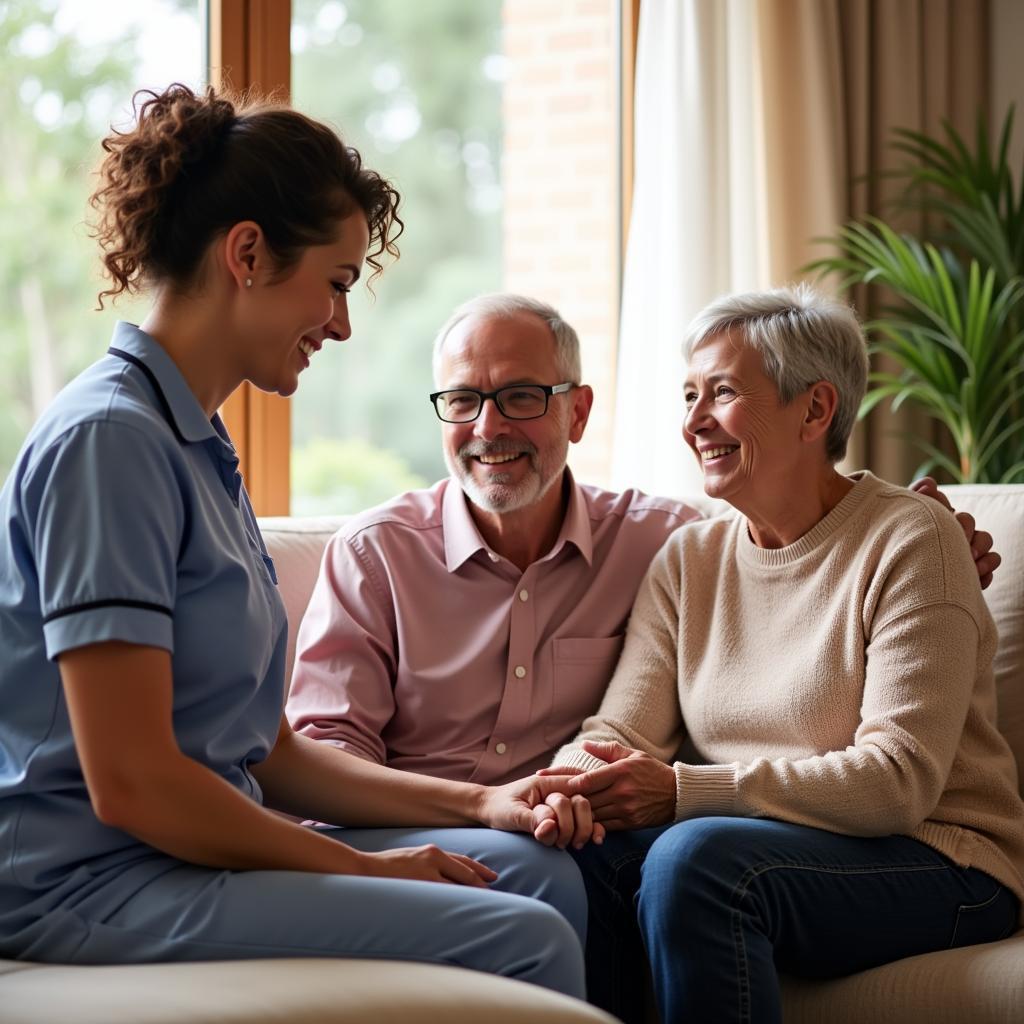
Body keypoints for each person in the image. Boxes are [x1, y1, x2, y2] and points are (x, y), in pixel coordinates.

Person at [0, 83, 590, 997]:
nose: (343, 324)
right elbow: (133, 784)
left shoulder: (192, 439)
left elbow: (265, 753)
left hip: (178, 849)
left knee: (540, 871)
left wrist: (482, 804)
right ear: (247, 254)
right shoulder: (111, 443)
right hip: (85, 878)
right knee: (527, 940)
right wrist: (365, 872)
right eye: (337, 282)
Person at [540, 284, 1024, 1024]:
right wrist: (558, 791)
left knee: (692, 860)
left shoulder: (913, 540)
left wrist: (683, 793)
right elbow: (621, 733)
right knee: (586, 854)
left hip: (939, 858)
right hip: (762, 848)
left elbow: (899, 782)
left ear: (816, 409)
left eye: (722, 393)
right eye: (689, 395)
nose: (694, 422)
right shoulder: (689, 559)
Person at [286, 292, 1000, 792]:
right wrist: (487, 813)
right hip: (416, 836)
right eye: (463, 400)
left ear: (578, 411)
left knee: (630, 873)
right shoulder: (375, 554)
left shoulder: (665, 542)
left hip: (565, 838)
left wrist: (928, 536)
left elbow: (810, 535)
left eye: (522, 397)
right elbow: (322, 761)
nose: (487, 427)